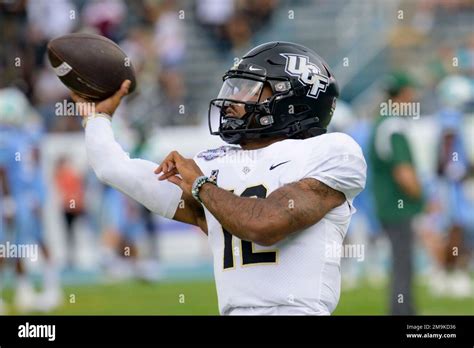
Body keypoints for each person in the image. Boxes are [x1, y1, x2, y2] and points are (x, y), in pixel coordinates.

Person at [73, 42, 367, 315]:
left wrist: (201, 186)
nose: (230, 100)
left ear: (292, 100)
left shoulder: (332, 151)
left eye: (248, 89)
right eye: (234, 87)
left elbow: (266, 224)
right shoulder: (217, 162)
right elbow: (114, 169)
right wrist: (96, 119)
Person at [368, 72, 424, 315]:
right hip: (397, 205)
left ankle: (402, 309)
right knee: (403, 263)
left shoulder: (382, 121)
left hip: (386, 203)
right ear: (403, 94)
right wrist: (422, 198)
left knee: (402, 262)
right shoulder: (394, 125)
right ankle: (402, 312)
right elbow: (404, 173)